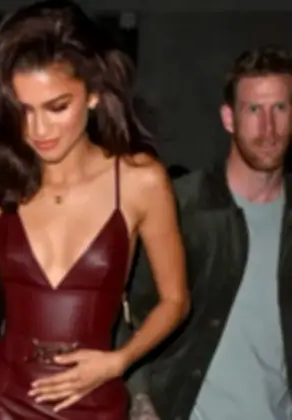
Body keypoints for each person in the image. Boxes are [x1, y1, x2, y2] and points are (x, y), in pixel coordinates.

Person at [0, 1, 190, 419]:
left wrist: (119, 361)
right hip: (5, 403)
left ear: (93, 94)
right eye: (24, 110)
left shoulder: (140, 181)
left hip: (93, 403)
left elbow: (175, 300)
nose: (38, 130)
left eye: (57, 107)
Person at [124, 45, 292, 420]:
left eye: (280, 108)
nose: (268, 128)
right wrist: (141, 399)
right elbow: (125, 310)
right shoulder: (180, 208)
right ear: (229, 118)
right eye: (254, 110)